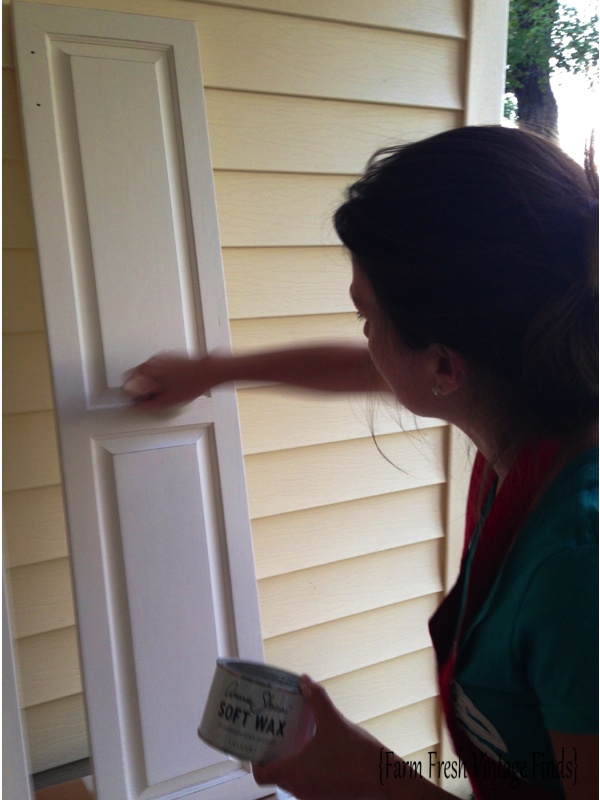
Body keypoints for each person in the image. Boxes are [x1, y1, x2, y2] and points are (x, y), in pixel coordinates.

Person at [125, 126, 598, 799]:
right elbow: (366, 367)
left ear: (443, 365)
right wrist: (212, 370)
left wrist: (363, 777)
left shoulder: (578, 573)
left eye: (365, 315)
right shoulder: (544, 388)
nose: (366, 340)